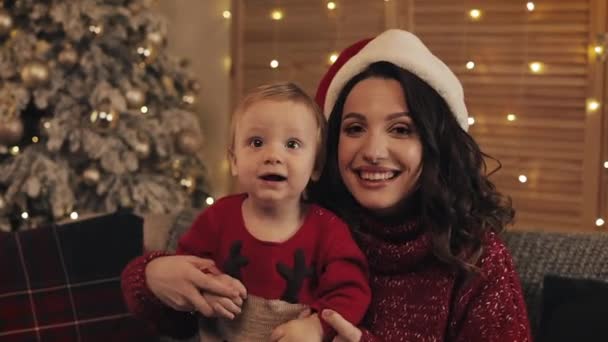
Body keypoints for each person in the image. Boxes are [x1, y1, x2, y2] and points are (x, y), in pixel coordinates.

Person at [274, 28, 531, 341]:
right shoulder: (295, 231)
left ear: (434, 143)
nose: (372, 151)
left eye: (400, 129)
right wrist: (196, 303)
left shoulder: (476, 257)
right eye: (354, 128)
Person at [121, 82, 370, 341]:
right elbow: (189, 274)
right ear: (234, 161)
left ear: (316, 166)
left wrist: (317, 326)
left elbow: (351, 291)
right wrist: (207, 290)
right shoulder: (217, 219)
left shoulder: (328, 229)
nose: (273, 155)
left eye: (293, 144)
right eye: (257, 142)